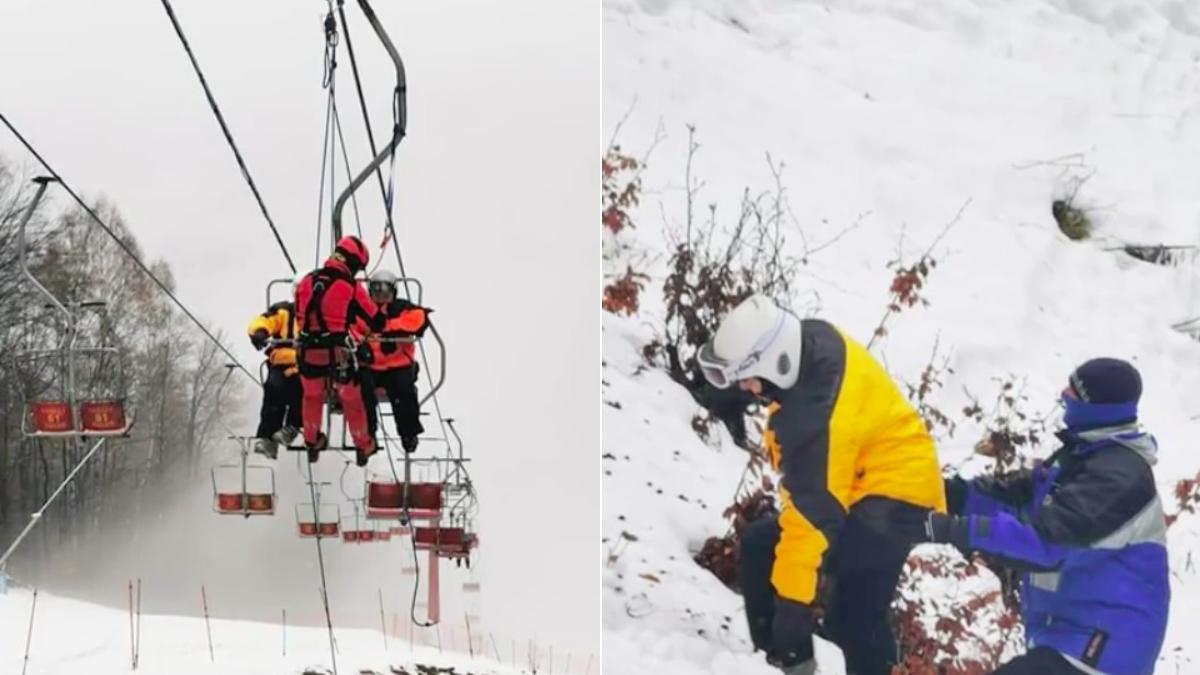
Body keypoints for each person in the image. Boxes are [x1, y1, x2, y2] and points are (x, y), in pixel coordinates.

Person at [697, 294, 946, 675]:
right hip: (871, 481)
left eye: (747, 379)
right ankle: (778, 661)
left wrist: (792, 616)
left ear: (774, 365)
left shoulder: (816, 419)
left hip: (897, 501)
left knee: (855, 618)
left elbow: (811, 523)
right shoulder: (807, 342)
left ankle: (789, 662)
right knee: (764, 546)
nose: (746, 388)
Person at [927, 358, 1169, 675]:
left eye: (1076, 392)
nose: (1064, 394)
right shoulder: (1082, 458)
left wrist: (950, 530)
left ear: (1099, 408)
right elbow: (1014, 501)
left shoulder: (1117, 477)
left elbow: (1045, 542)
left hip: (1103, 649)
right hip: (1070, 639)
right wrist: (943, 494)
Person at [294, 235, 385, 465]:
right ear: (353, 263)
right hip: (338, 355)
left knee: (311, 397)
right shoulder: (350, 287)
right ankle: (363, 445)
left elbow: (299, 315)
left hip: (308, 352)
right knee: (352, 400)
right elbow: (375, 319)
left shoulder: (306, 282)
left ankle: (311, 439)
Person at [361, 270, 431, 452]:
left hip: (397, 365)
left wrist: (388, 328)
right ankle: (367, 435)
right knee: (362, 390)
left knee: (403, 391)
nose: (381, 295)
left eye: (385, 290)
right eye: (376, 289)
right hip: (370, 365)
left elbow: (418, 319)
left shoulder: (402, 308)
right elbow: (352, 326)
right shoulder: (362, 309)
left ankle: (408, 433)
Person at [247, 282, 301, 459]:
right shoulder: (285, 312)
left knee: (299, 388)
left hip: (308, 363)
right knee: (273, 388)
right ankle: (267, 436)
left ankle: (292, 426)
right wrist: (260, 332)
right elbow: (266, 320)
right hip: (282, 362)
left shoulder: (322, 316)